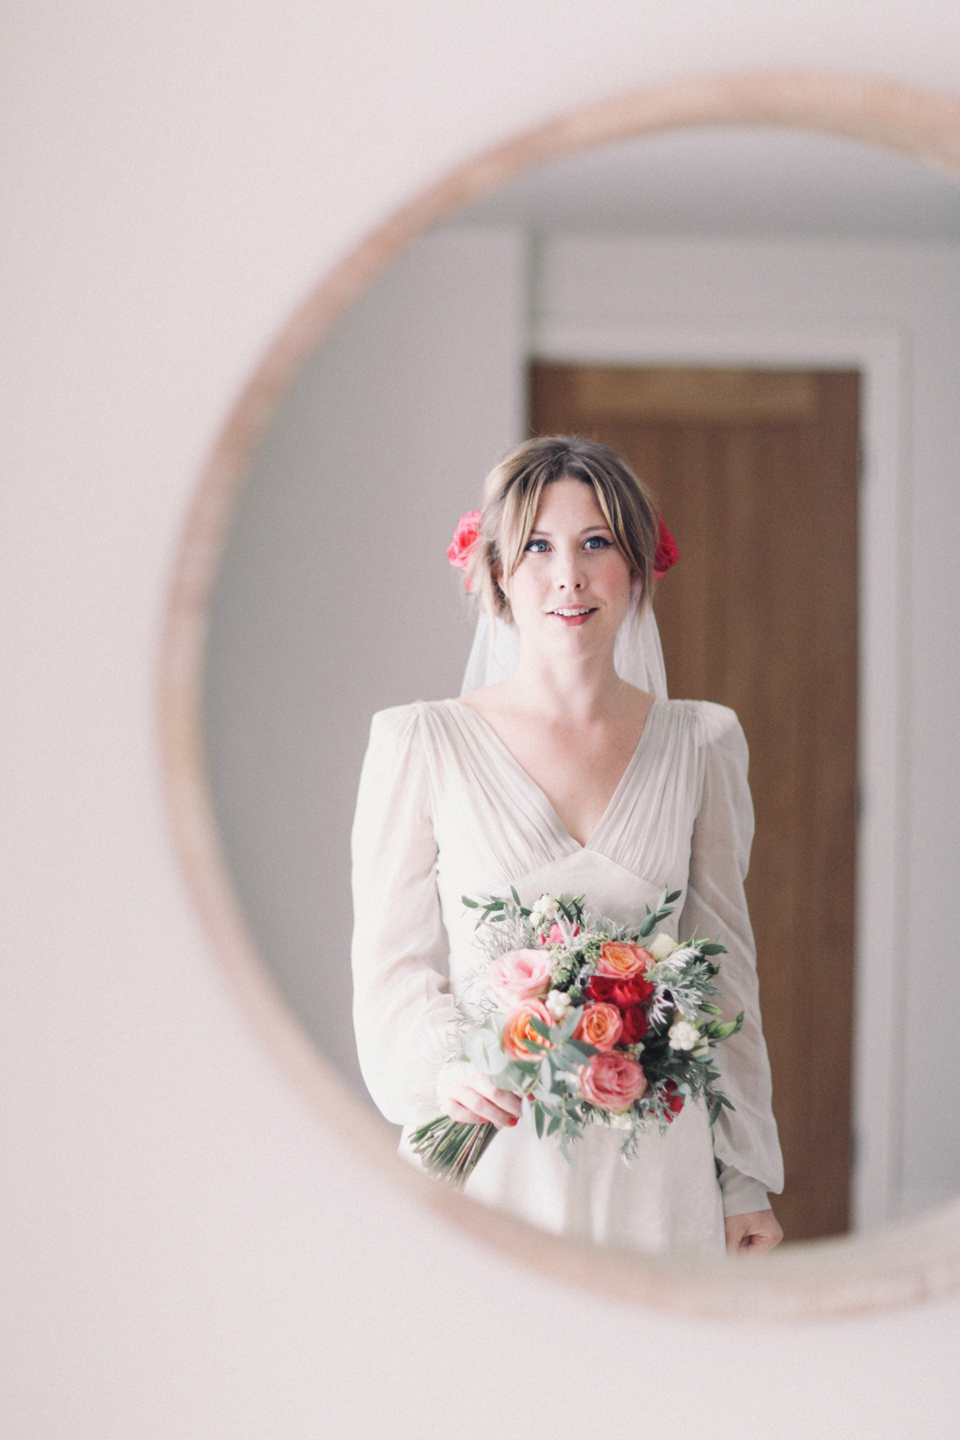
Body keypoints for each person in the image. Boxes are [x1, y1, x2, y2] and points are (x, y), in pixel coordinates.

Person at [351, 436, 783, 1256]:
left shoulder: (702, 743)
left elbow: (725, 971)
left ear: (637, 567)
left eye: (597, 543)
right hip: (491, 1158)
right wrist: (448, 1071)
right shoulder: (419, 743)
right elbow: (393, 969)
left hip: (656, 1170)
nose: (569, 575)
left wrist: (743, 1180)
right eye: (539, 546)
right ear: (499, 572)